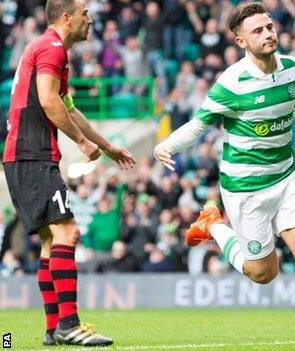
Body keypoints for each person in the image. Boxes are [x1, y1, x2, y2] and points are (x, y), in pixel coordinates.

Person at [153, 3, 295, 351]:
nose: (268, 34)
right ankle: (213, 223)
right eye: (257, 30)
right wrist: (166, 145)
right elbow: (201, 122)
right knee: (263, 273)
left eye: (269, 27)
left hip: (286, 177)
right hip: (246, 188)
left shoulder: (292, 68)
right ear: (241, 41)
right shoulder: (231, 82)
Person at [2, 0, 135, 346]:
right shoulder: (52, 48)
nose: (91, 20)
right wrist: (80, 142)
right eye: (85, 14)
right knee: (68, 232)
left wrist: (106, 146)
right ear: (66, 17)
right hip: (33, 155)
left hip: (22, 156)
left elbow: (68, 107)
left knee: (51, 240)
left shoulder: (47, 49)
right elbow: (48, 101)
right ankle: (70, 323)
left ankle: (53, 328)